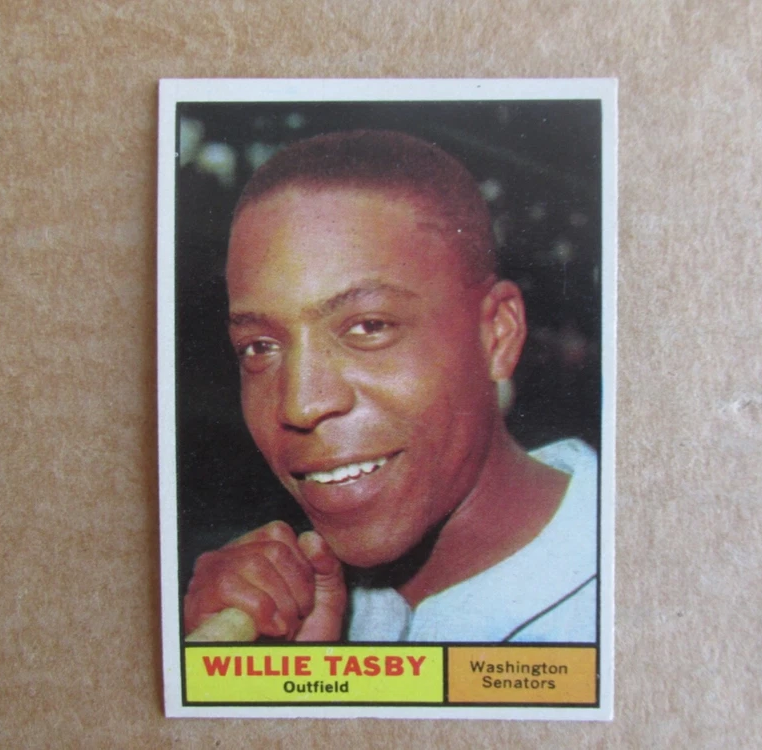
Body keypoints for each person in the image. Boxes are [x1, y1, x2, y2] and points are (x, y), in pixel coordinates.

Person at [183, 130, 598, 643]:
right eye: (259, 347)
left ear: (496, 334)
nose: (300, 405)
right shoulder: (288, 607)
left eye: (369, 327)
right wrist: (269, 678)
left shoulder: (634, 590)